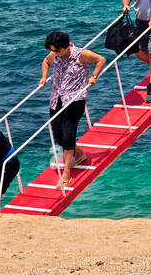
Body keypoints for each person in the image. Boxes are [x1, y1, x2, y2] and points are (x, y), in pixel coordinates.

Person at [39, 31, 105, 192]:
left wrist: (94, 76)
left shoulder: (81, 54)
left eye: (56, 50)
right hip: (57, 99)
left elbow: (100, 60)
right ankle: (80, 154)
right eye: (52, 51)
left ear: (65, 46)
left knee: (68, 137)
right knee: (58, 136)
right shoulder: (55, 55)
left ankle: (66, 174)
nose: (54, 54)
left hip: (75, 100)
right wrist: (43, 77)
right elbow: (45, 62)